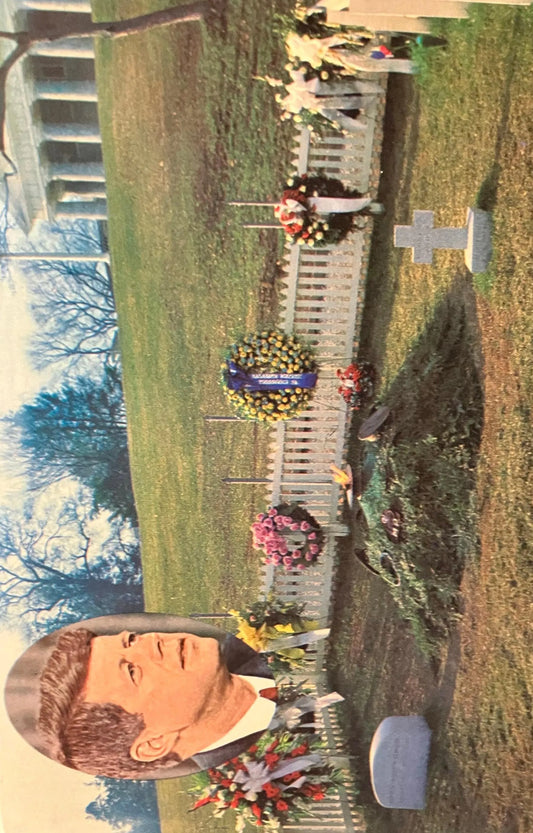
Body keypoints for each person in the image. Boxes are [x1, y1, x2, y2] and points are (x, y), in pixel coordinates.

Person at [7, 615, 276, 780]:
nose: (153, 642)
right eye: (133, 672)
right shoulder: (262, 777)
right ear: (153, 743)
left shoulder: (261, 632)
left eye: (132, 640)